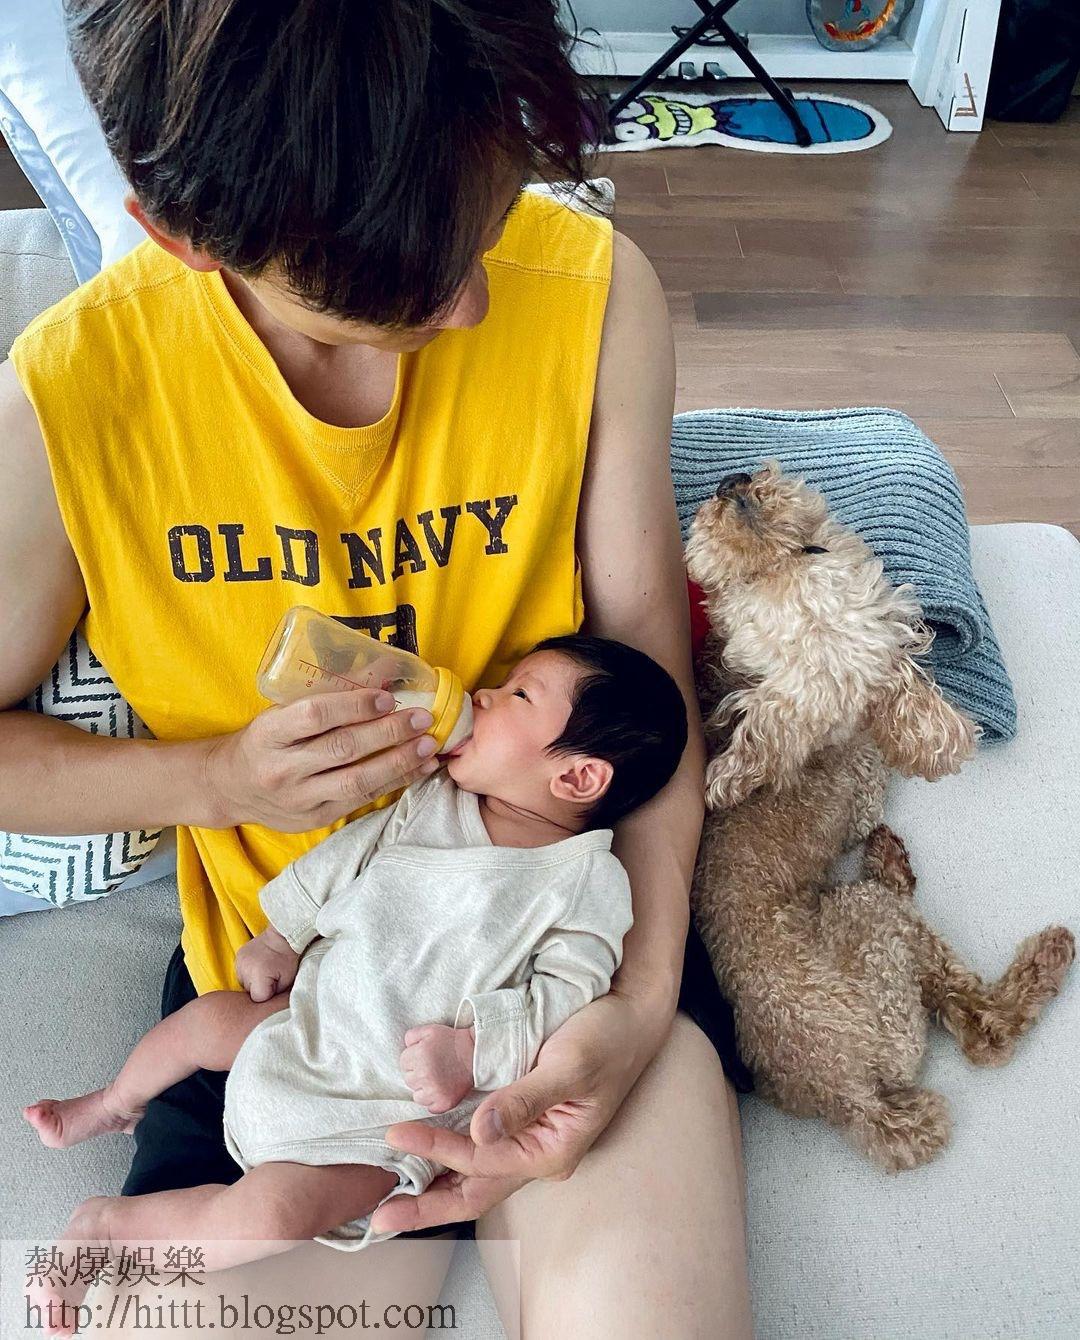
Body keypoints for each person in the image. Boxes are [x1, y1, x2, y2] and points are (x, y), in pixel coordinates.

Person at [0, 2, 753, 1333]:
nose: (473, 302)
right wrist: (213, 779)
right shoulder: (76, 395)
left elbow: (651, 676)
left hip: (558, 951)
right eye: (403, 278)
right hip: (298, 994)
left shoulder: (590, 292)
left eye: (486, 221)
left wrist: (636, 1005)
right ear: (185, 235)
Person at [25, 637, 684, 1280]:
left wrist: (475, 1050)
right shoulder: (436, 800)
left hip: (386, 1112)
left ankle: (108, 1228)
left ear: (577, 776)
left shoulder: (584, 883)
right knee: (205, 1023)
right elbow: (348, 856)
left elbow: (568, 995)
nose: (483, 694)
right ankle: (115, 1102)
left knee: (273, 1218)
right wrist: (283, 935)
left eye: (519, 695)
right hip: (313, 1017)